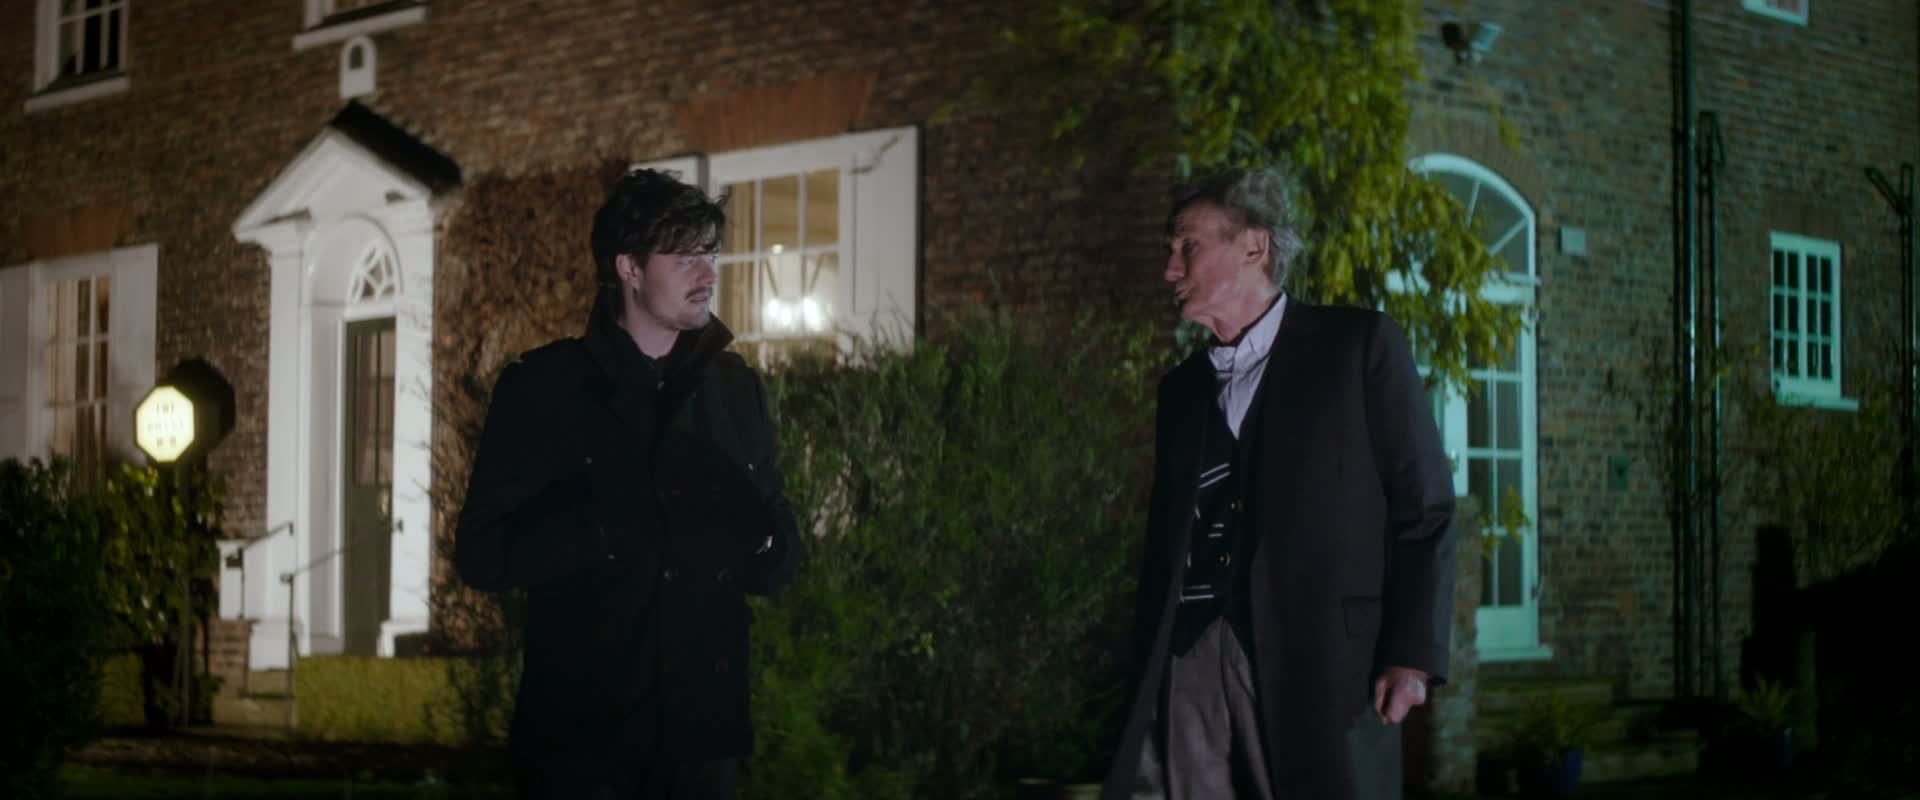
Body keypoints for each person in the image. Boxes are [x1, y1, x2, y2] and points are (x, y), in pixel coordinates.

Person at [1101, 169, 1457, 800]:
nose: (1170, 268)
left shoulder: (1357, 347)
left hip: (1319, 665)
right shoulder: (1180, 391)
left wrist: (1412, 655)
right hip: (1188, 664)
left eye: (1187, 246)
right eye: (1170, 250)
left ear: (1254, 246)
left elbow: (1424, 509)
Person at [455, 168, 801, 799]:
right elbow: (482, 554)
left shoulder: (735, 390)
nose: (707, 273)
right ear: (629, 267)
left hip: (700, 744)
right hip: (583, 746)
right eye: (684, 256)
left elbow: (779, 557)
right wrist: (602, 522)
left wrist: (757, 536)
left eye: (710, 254)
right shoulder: (545, 388)